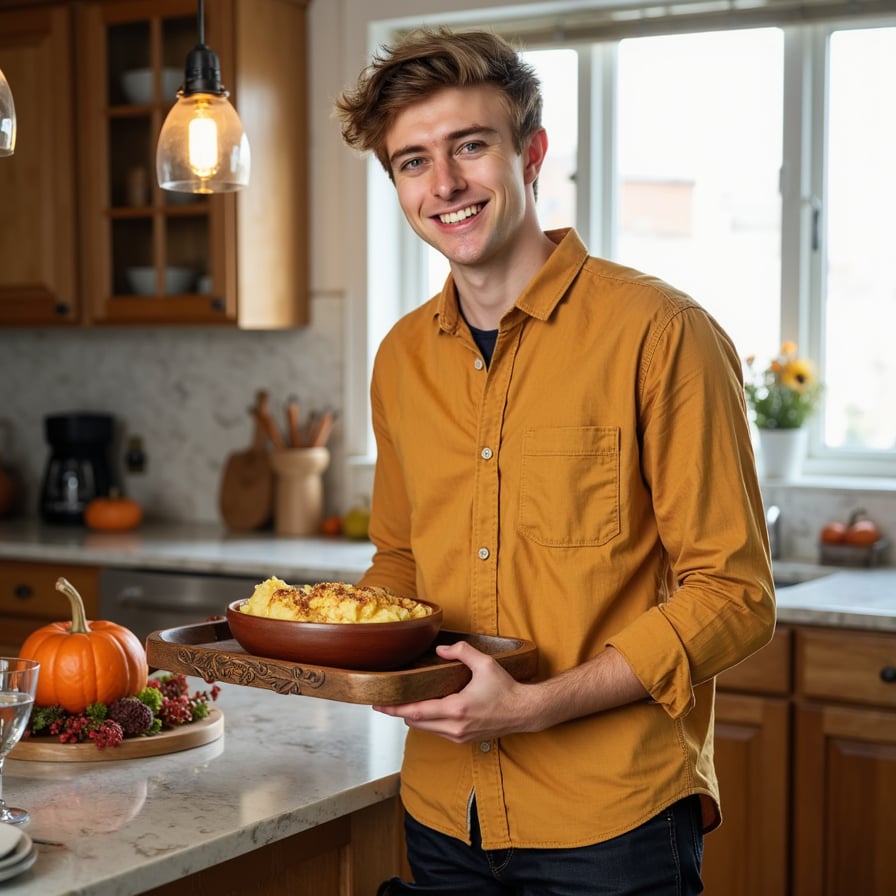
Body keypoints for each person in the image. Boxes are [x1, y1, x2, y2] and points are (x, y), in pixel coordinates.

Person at [336, 26, 775, 896]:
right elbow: (401, 561)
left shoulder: (660, 333)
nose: (444, 184)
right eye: (414, 161)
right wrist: (329, 643)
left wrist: (535, 706)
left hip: (612, 822)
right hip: (443, 809)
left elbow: (734, 595)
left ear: (531, 154)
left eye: (470, 146)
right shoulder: (400, 358)